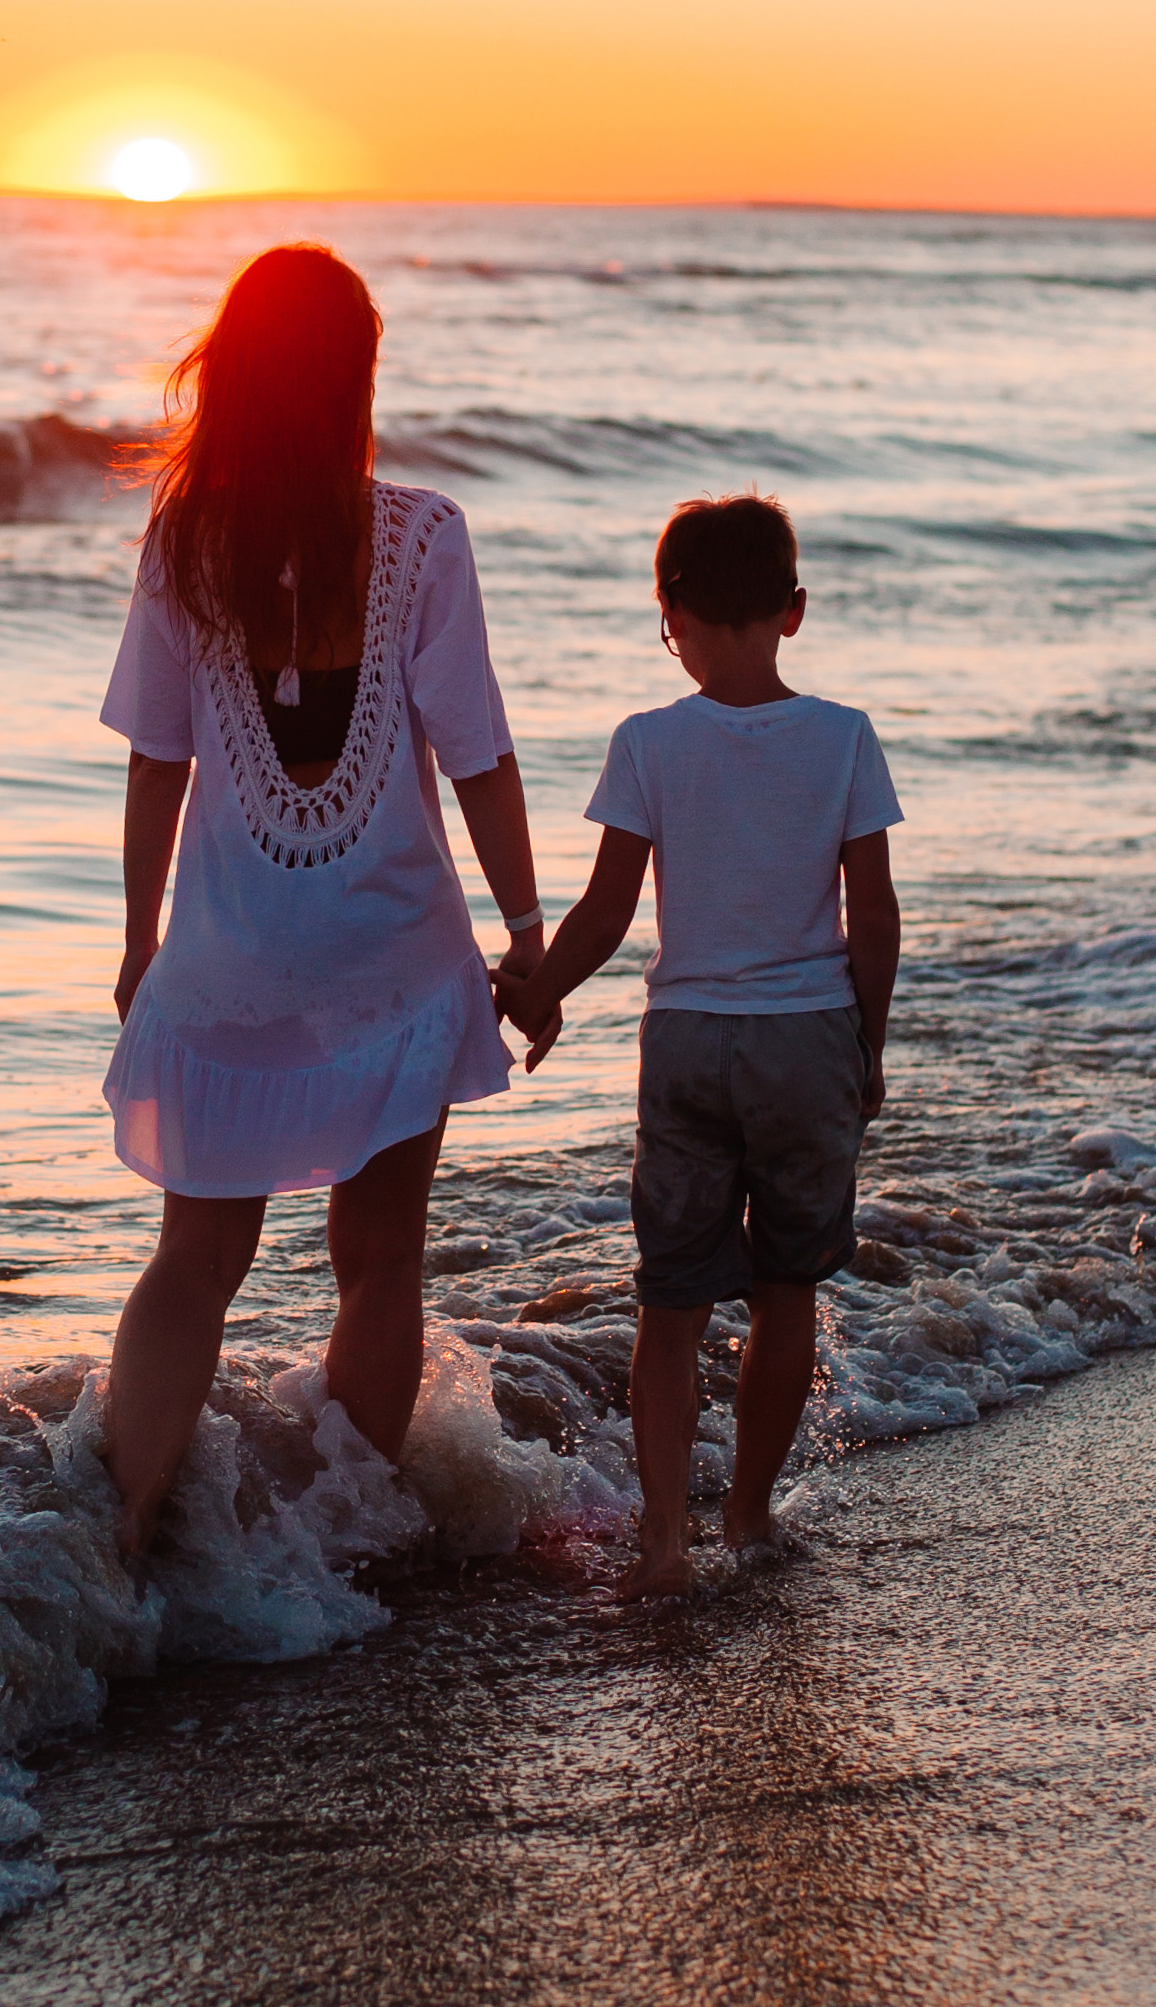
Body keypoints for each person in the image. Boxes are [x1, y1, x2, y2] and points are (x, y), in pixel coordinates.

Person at [98, 244, 543, 1560]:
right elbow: (476, 754)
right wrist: (526, 934)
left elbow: (155, 759)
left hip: (229, 958)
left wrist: (138, 943)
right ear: (355, 377)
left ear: (231, 376)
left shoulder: (184, 541)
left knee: (194, 1259)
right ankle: (345, 1539)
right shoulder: (421, 534)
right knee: (382, 1255)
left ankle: (122, 1533)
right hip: (396, 957)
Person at [495, 493, 901, 1599]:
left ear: (669, 614)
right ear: (792, 610)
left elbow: (605, 911)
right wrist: (866, 1046)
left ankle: (663, 1546)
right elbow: (871, 913)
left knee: (668, 1307)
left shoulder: (649, 741)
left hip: (685, 1044)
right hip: (807, 1041)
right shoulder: (842, 736)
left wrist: (537, 992)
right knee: (785, 1292)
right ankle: (750, 1517)